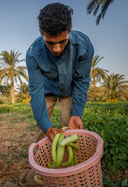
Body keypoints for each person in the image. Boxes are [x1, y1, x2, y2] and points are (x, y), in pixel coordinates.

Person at [26, 2, 94, 143]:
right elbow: (36, 90)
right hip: (47, 90)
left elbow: (81, 81)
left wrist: (77, 113)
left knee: (70, 125)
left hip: (69, 90)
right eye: (50, 43)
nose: (57, 49)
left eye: (62, 41)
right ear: (41, 33)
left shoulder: (84, 46)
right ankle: (41, 155)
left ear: (70, 30)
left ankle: (69, 161)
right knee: (42, 127)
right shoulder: (33, 54)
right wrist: (46, 124)